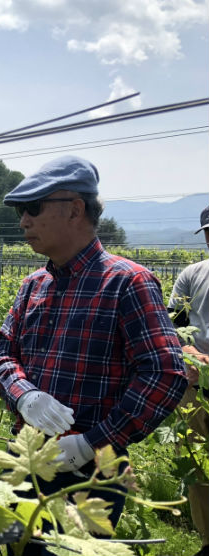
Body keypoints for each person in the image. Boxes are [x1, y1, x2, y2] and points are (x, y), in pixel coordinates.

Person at [0, 155, 189, 555]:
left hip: (90, 475)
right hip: (25, 459)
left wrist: (91, 443)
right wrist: (25, 395)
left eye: (33, 208)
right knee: (16, 548)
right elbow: (2, 353)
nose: (23, 222)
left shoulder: (128, 282)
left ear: (75, 209)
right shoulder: (33, 285)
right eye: (20, 211)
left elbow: (165, 374)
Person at [168, 205, 209, 556]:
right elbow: (173, 324)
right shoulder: (192, 275)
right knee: (198, 464)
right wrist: (188, 351)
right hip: (196, 385)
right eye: (208, 232)